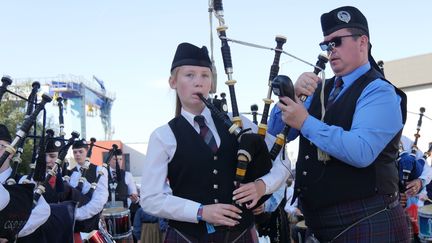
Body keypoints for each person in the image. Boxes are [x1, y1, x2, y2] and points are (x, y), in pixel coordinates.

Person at [276, 6, 409, 242]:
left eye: (337, 41)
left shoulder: (380, 92)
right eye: (326, 45)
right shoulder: (320, 89)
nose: (330, 50)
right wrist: (291, 97)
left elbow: (362, 151)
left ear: (362, 42)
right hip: (323, 224)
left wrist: (305, 121)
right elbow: (276, 135)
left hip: (368, 219)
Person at [140, 42, 289, 242]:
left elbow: (282, 159)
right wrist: (199, 211)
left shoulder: (238, 123)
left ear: (211, 82)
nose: (198, 82)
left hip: (241, 235)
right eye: (189, 75)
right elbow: (150, 199)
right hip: (187, 237)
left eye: (205, 75)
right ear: (173, 82)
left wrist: (262, 186)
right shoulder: (163, 136)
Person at [0, 124, 75, 243]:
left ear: (10, 152)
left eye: (0, 146)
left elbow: (42, 211)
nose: (48, 160)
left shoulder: (23, 182)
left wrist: (12, 233)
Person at [66, 139, 108, 241]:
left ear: (87, 152)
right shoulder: (69, 174)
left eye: (81, 152)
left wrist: (78, 214)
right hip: (74, 226)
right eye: (75, 152)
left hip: (93, 224)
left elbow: (101, 199)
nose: (77, 155)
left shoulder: (99, 170)